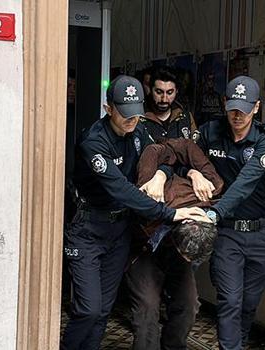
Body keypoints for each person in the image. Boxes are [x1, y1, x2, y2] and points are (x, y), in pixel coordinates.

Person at [60, 75, 207, 350]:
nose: (132, 120)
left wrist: (162, 174)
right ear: (109, 108)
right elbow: (121, 190)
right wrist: (171, 214)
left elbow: (167, 154)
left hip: (120, 233)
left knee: (103, 309)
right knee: (88, 309)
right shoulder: (93, 141)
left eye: (136, 114)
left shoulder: (139, 131)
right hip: (88, 230)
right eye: (125, 114)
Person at [189, 76, 265, 350]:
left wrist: (214, 213)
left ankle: (234, 345)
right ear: (224, 103)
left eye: (245, 108)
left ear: (256, 107)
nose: (237, 114)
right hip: (227, 232)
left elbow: (246, 182)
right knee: (230, 301)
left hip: (261, 233)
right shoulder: (208, 132)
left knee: (249, 303)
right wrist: (193, 172)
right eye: (233, 107)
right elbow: (184, 158)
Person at [126, 138, 223, 350]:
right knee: (147, 309)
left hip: (175, 255)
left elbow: (188, 147)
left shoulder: (211, 188)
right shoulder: (150, 193)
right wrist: (160, 175)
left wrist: (194, 173)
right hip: (145, 251)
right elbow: (154, 149)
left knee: (189, 305)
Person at [141, 67, 197, 143]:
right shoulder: (139, 118)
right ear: (151, 90)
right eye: (159, 92)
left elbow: (195, 149)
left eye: (169, 93)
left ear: (176, 91)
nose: (164, 99)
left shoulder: (185, 117)